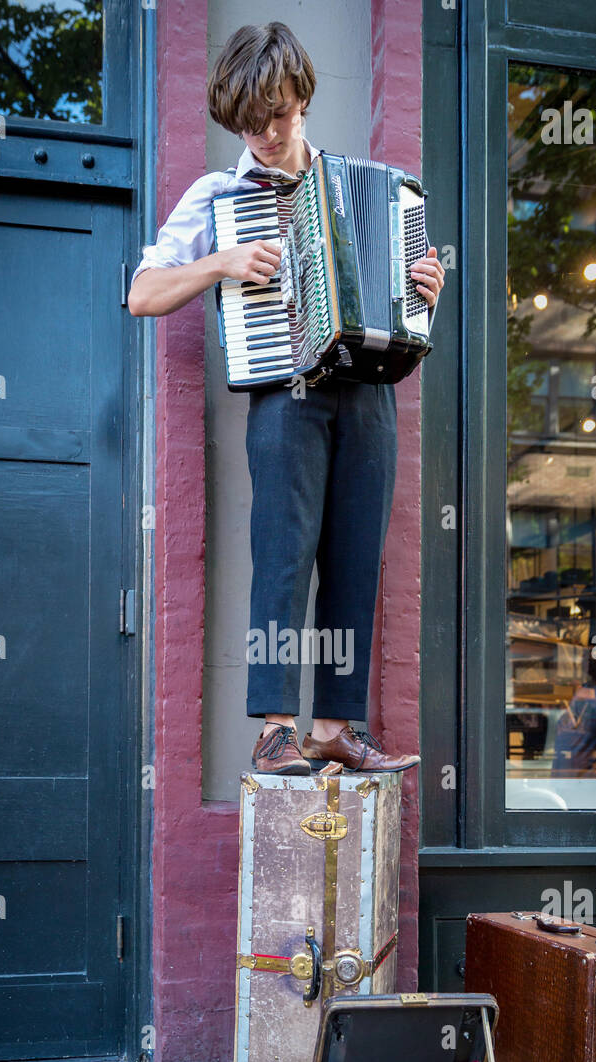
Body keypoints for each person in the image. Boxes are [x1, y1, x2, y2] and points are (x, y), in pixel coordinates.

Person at [128, 22, 444, 774]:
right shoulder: (220, 195)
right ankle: (275, 729)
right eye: (247, 122)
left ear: (302, 98)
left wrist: (423, 291)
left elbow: (404, 303)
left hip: (368, 391)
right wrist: (219, 261)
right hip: (285, 392)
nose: (264, 134)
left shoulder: (365, 185)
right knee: (282, 556)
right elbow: (142, 294)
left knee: (356, 556)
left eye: (277, 114)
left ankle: (335, 726)